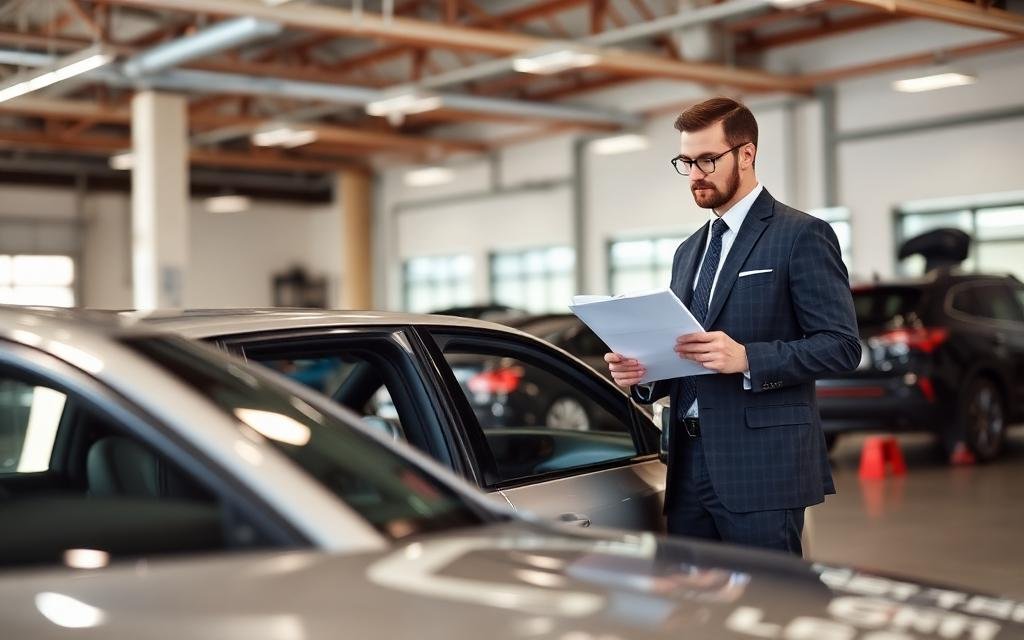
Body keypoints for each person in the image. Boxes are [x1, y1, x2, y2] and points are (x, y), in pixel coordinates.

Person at [605, 97, 860, 556]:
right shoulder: (688, 251)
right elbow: (685, 349)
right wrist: (643, 373)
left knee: (769, 608)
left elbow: (841, 346)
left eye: (707, 158)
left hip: (762, 467)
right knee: (696, 608)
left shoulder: (801, 234)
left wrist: (748, 358)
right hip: (686, 465)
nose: (696, 173)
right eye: (686, 162)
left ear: (747, 154)